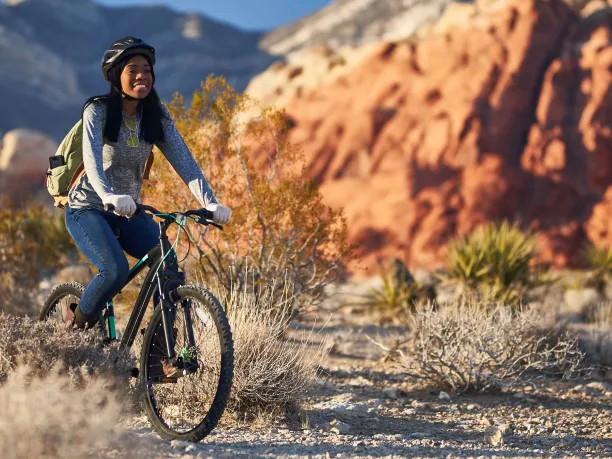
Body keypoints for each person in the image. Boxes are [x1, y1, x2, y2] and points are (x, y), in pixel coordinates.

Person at [65, 36, 231, 329]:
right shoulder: (98, 110)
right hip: (88, 207)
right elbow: (91, 162)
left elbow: (186, 163)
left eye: (147, 69)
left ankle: (158, 359)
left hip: (128, 211)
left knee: (167, 266)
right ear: (117, 76)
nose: (142, 75)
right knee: (115, 270)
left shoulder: (156, 116)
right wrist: (108, 195)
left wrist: (209, 201)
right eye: (133, 69)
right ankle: (74, 329)